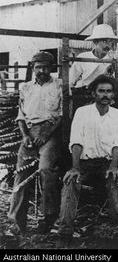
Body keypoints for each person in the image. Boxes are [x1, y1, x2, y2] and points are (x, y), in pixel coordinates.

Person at [57, 75, 118, 247]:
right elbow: (76, 141)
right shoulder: (82, 112)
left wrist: (113, 166)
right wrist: (75, 167)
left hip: (106, 162)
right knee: (70, 181)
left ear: (113, 95)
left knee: (115, 179)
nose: (105, 95)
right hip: (84, 163)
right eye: (101, 91)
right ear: (93, 93)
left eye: (109, 91)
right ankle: (64, 233)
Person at [7, 51, 62, 236]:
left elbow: (61, 114)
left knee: (46, 170)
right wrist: (25, 136)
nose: (42, 71)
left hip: (50, 133)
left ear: (51, 68)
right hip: (29, 134)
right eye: (38, 67)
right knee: (20, 174)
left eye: (45, 67)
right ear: (33, 68)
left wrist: (46, 133)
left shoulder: (60, 85)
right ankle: (16, 222)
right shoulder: (26, 87)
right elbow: (21, 116)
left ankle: (48, 220)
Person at [69, 24, 118, 112]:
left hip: (105, 96)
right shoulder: (83, 57)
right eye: (104, 41)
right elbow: (71, 81)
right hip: (84, 96)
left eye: (110, 42)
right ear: (96, 42)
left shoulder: (113, 59)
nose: (108, 45)